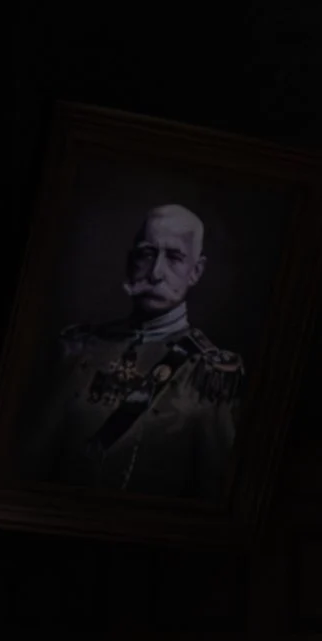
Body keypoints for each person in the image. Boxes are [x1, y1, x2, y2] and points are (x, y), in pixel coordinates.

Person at [38, 202, 245, 500]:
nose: (156, 273)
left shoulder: (210, 373)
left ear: (196, 271)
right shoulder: (76, 348)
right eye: (147, 254)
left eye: (174, 257)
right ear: (130, 260)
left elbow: (214, 493)